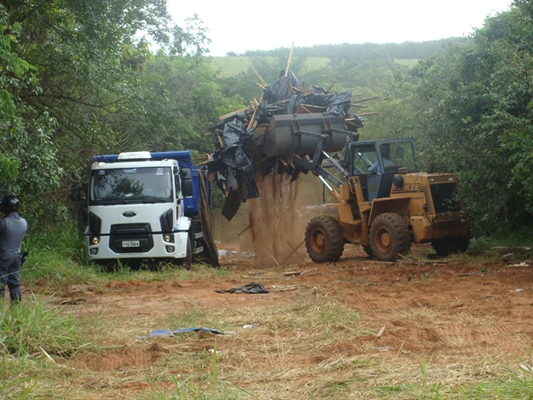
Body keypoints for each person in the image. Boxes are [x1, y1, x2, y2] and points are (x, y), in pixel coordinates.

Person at [0, 195, 29, 303]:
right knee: (15, 283)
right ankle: (16, 309)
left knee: (0, 283)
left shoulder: (4, 223)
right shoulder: (24, 223)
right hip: (17, 255)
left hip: (4, 256)